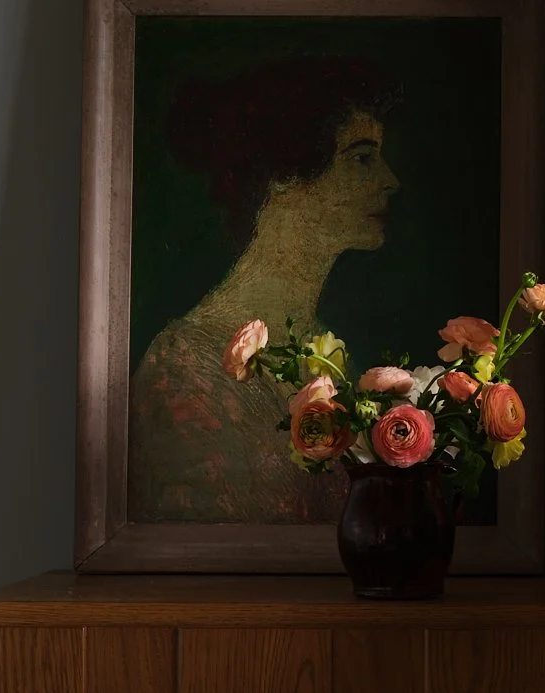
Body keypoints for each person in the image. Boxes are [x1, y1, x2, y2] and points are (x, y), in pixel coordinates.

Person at [129, 55, 399, 523]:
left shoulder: (333, 356)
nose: (389, 180)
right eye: (360, 158)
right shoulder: (182, 368)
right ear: (284, 175)